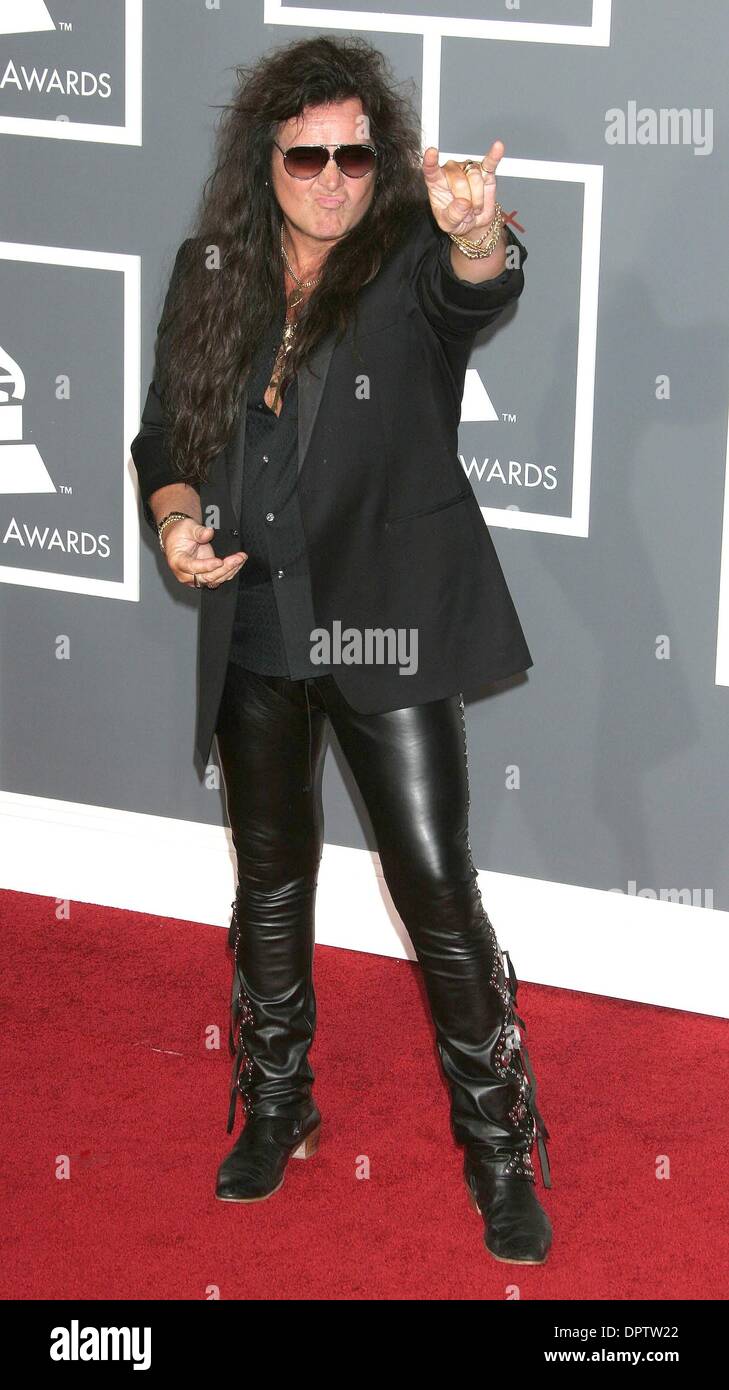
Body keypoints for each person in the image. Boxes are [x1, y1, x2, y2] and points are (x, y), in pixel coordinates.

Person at [130, 34, 553, 1266]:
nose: (330, 176)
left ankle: (502, 1148)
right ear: (265, 157)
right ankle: (276, 1102)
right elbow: (165, 431)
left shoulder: (414, 255)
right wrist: (172, 526)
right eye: (305, 152)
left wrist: (475, 231)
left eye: (354, 155)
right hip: (257, 619)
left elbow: (481, 283)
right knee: (271, 881)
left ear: (382, 164)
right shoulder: (212, 269)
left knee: (435, 887)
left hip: (388, 618)